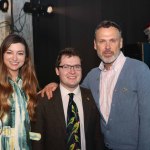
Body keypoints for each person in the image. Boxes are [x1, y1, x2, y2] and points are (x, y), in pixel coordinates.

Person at [40, 20, 150, 150]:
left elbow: (147, 121)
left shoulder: (140, 70)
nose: (107, 47)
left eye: (112, 40)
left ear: (120, 43)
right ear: (95, 45)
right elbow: (73, 90)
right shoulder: (92, 76)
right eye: (102, 41)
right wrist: (54, 85)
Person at [32, 48, 105, 150]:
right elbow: (37, 141)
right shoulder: (43, 100)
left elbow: (97, 138)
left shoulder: (92, 96)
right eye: (66, 67)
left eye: (77, 67)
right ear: (57, 71)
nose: (72, 71)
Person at [0, 34, 39, 150]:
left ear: (26, 57)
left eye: (20, 53)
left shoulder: (28, 85)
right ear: (2, 55)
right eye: (9, 52)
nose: (15, 58)